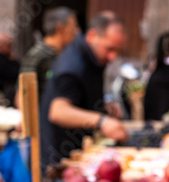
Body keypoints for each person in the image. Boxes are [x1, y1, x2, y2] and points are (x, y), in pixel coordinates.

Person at [40, 13, 128, 169]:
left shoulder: (90, 55)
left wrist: (101, 107)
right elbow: (58, 111)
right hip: (58, 159)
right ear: (92, 36)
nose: (113, 57)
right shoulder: (73, 67)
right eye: (109, 49)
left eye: (117, 50)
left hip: (75, 152)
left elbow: (78, 97)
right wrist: (102, 121)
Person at [17, 7, 78, 105]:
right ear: (60, 28)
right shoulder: (37, 55)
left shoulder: (64, 54)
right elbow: (22, 96)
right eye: (73, 27)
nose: (76, 31)